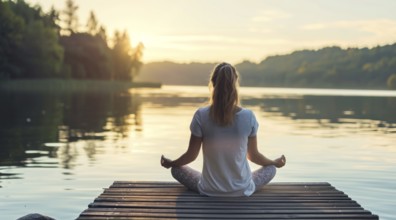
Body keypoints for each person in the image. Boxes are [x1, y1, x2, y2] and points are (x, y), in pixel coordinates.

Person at [161, 62, 286, 197]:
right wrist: (274, 162)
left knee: (176, 170)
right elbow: (253, 156)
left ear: (213, 84)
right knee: (271, 169)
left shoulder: (201, 115)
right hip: (242, 190)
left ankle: (208, 181)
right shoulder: (248, 116)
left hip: (209, 190)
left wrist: (171, 163)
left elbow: (191, 155)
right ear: (235, 84)